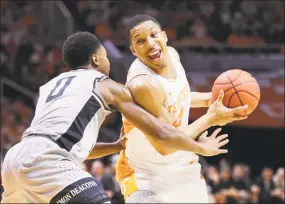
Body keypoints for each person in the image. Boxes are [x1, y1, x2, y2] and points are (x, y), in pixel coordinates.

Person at [1, 31, 235, 203]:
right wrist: (202, 137)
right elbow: (161, 131)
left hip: (15, 160)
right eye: (106, 57)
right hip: (47, 163)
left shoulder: (51, 86)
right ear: (96, 59)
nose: (109, 62)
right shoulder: (107, 86)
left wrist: (116, 146)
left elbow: (73, 147)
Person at [115, 15, 248, 203]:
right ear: (133, 50)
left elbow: (179, 97)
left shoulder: (172, 55)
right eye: (141, 41)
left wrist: (214, 100)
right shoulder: (143, 85)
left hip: (184, 167)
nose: (151, 44)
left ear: (164, 36)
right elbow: (165, 144)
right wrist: (209, 119)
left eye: (153, 35)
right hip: (145, 174)